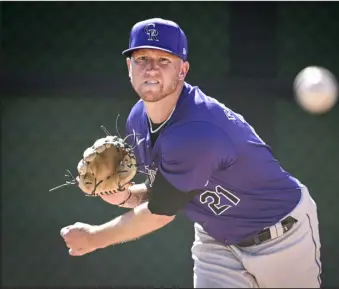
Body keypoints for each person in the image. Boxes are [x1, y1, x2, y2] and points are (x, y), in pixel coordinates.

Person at [60, 18, 322, 288]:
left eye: (164, 61)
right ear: (129, 67)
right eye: (141, 58)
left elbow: (159, 213)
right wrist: (124, 196)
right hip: (217, 241)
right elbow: (162, 193)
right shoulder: (138, 119)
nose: (151, 68)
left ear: (183, 70)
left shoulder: (196, 131)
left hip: (280, 237)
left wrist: (95, 238)